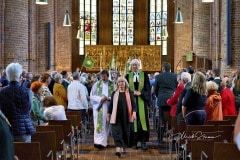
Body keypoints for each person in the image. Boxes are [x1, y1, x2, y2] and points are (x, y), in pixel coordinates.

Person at [0, 63, 35, 142]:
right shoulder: (27, 91)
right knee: (25, 153)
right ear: (20, 76)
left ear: (7, 76)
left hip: (7, 130)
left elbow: (1, 110)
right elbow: (29, 109)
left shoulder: (2, 92)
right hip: (24, 130)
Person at [108, 76, 137, 157]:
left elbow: (134, 105)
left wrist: (134, 113)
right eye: (119, 82)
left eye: (122, 82)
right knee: (116, 133)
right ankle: (118, 150)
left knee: (125, 133)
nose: (121, 83)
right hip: (116, 117)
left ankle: (123, 147)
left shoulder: (129, 93)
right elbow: (111, 105)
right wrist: (108, 114)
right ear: (117, 84)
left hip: (126, 116)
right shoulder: (114, 93)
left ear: (125, 83)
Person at [125, 59, 151, 150]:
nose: (135, 67)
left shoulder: (145, 75)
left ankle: (143, 142)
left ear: (139, 65)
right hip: (132, 103)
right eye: (133, 65)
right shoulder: (128, 76)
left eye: (136, 65)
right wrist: (133, 93)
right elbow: (125, 89)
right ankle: (134, 142)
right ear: (131, 66)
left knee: (142, 121)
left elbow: (148, 88)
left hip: (142, 101)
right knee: (133, 121)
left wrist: (141, 93)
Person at [90, 70, 115, 149]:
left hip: (108, 107)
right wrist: (100, 99)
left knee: (105, 125)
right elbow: (92, 96)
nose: (103, 78)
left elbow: (116, 95)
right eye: (102, 76)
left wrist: (108, 98)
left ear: (108, 76)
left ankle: (104, 142)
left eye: (105, 76)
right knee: (98, 124)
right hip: (99, 107)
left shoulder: (112, 84)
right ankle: (97, 142)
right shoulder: (96, 84)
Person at [154, 62, 178, 144]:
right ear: (170, 68)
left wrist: (159, 96)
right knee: (173, 119)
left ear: (163, 68)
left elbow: (155, 89)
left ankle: (160, 139)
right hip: (172, 99)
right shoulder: (175, 76)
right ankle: (173, 139)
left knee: (161, 119)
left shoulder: (159, 76)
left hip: (161, 100)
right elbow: (177, 88)